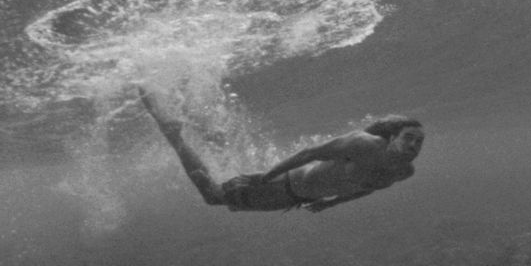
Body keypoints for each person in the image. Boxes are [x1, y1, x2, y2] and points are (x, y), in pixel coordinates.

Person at [138, 86, 424, 213]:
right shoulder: (363, 145)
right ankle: (174, 135)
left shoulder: (403, 172)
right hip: (284, 186)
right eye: (408, 137)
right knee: (213, 197)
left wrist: (332, 203)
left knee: (226, 198)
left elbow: (370, 187)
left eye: (418, 142)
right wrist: (264, 176)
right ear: (391, 137)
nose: (413, 145)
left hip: (294, 198)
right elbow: (308, 154)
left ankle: (207, 133)